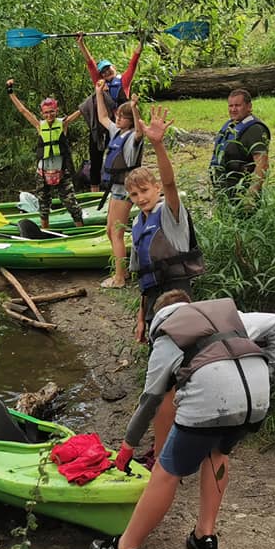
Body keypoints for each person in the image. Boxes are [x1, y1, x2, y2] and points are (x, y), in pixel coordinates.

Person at [90, 289, 275, 549]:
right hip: (254, 400)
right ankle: (205, 537)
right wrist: (268, 374)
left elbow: (151, 398)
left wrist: (128, 445)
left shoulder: (168, 334)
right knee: (217, 453)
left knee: (167, 472)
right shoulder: (230, 317)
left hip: (210, 402)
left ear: (158, 316)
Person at [127, 105, 205, 344]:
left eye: (145, 191)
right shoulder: (137, 223)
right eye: (133, 195)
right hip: (153, 303)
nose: (140, 198)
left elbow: (171, 183)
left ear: (156, 189)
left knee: (182, 353)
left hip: (177, 297)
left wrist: (158, 145)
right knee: (157, 350)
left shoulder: (170, 214)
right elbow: (143, 278)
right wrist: (141, 318)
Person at [6, 79, 84, 230]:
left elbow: (80, 111)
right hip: (43, 173)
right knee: (43, 205)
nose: (49, 115)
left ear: (56, 111)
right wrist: (11, 92)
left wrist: (98, 93)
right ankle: (45, 232)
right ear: (42, 113)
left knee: (71, 203)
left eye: (52, 112)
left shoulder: (63, 124)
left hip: (61, 172)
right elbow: (23, 111)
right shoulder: (39, 125)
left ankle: (81, 230)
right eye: (46, 113)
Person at [76, 33, 145, 192]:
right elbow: (91, 64)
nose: (106, 73)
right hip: (104, 125)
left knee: (124, 154)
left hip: (122, 125)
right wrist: (81, 44)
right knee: (95, 155)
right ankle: (95, 191)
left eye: (108, 69)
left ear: (114, 67)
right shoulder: (100, 84)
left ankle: (131, 187)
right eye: (103, 72)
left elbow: (133, 62)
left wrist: (141, 42)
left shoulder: (124, 81)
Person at [95, 81, 144, 288]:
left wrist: (134, 108)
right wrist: (98, 93)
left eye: (122, 117)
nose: (117, 118)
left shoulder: (134, 136)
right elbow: (102, 117)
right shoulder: (116, 132)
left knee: (116, 232)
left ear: (130, 120)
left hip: (125, 190)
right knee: (110, 231)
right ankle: (122, 271)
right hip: (114, 188)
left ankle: (120, 278)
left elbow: (141, 131)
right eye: (118, 115)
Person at [209, 89, 270, 208]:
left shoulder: (255, 129)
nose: (233, 109)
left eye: (238, 105)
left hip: (242, 196)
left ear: (249, 107)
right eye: (230, 106)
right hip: (225, 194)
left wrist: (250, 196)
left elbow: (262, 165)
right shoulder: (230, 126)